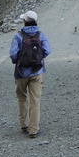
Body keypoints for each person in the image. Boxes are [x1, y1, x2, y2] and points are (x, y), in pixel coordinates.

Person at [9, 10, 52, 138]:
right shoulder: (41, 35)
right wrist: (38, 59)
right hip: (37, 71)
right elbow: (47, 50)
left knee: (22, 98)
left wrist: (18, 61)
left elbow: (13, 54)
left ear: (24, 21)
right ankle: (33, 129)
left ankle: (24, 124)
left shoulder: (18, 36)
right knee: (35, 100)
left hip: (20, 72)